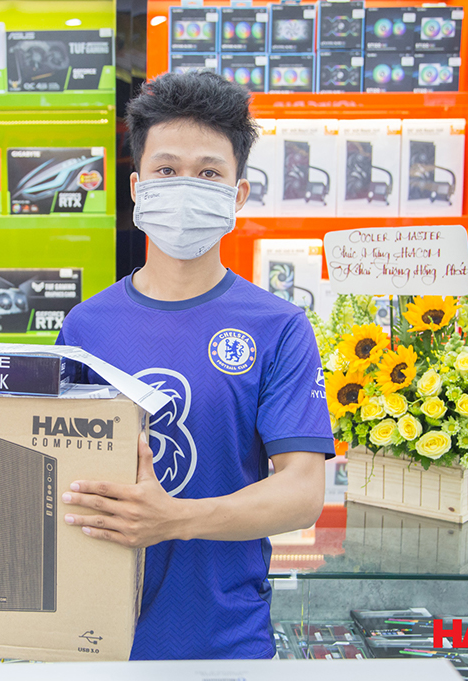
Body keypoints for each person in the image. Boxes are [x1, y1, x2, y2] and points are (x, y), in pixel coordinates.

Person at [56, 71, 335, 660]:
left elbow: (303, 491)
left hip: (227, 644)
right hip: (95, 642)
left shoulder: (279, 327)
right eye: (166, 170)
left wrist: (175, 519)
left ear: (238, 194)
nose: (185, 187)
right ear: (137, 186)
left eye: (208, 173)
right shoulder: (85, 327)